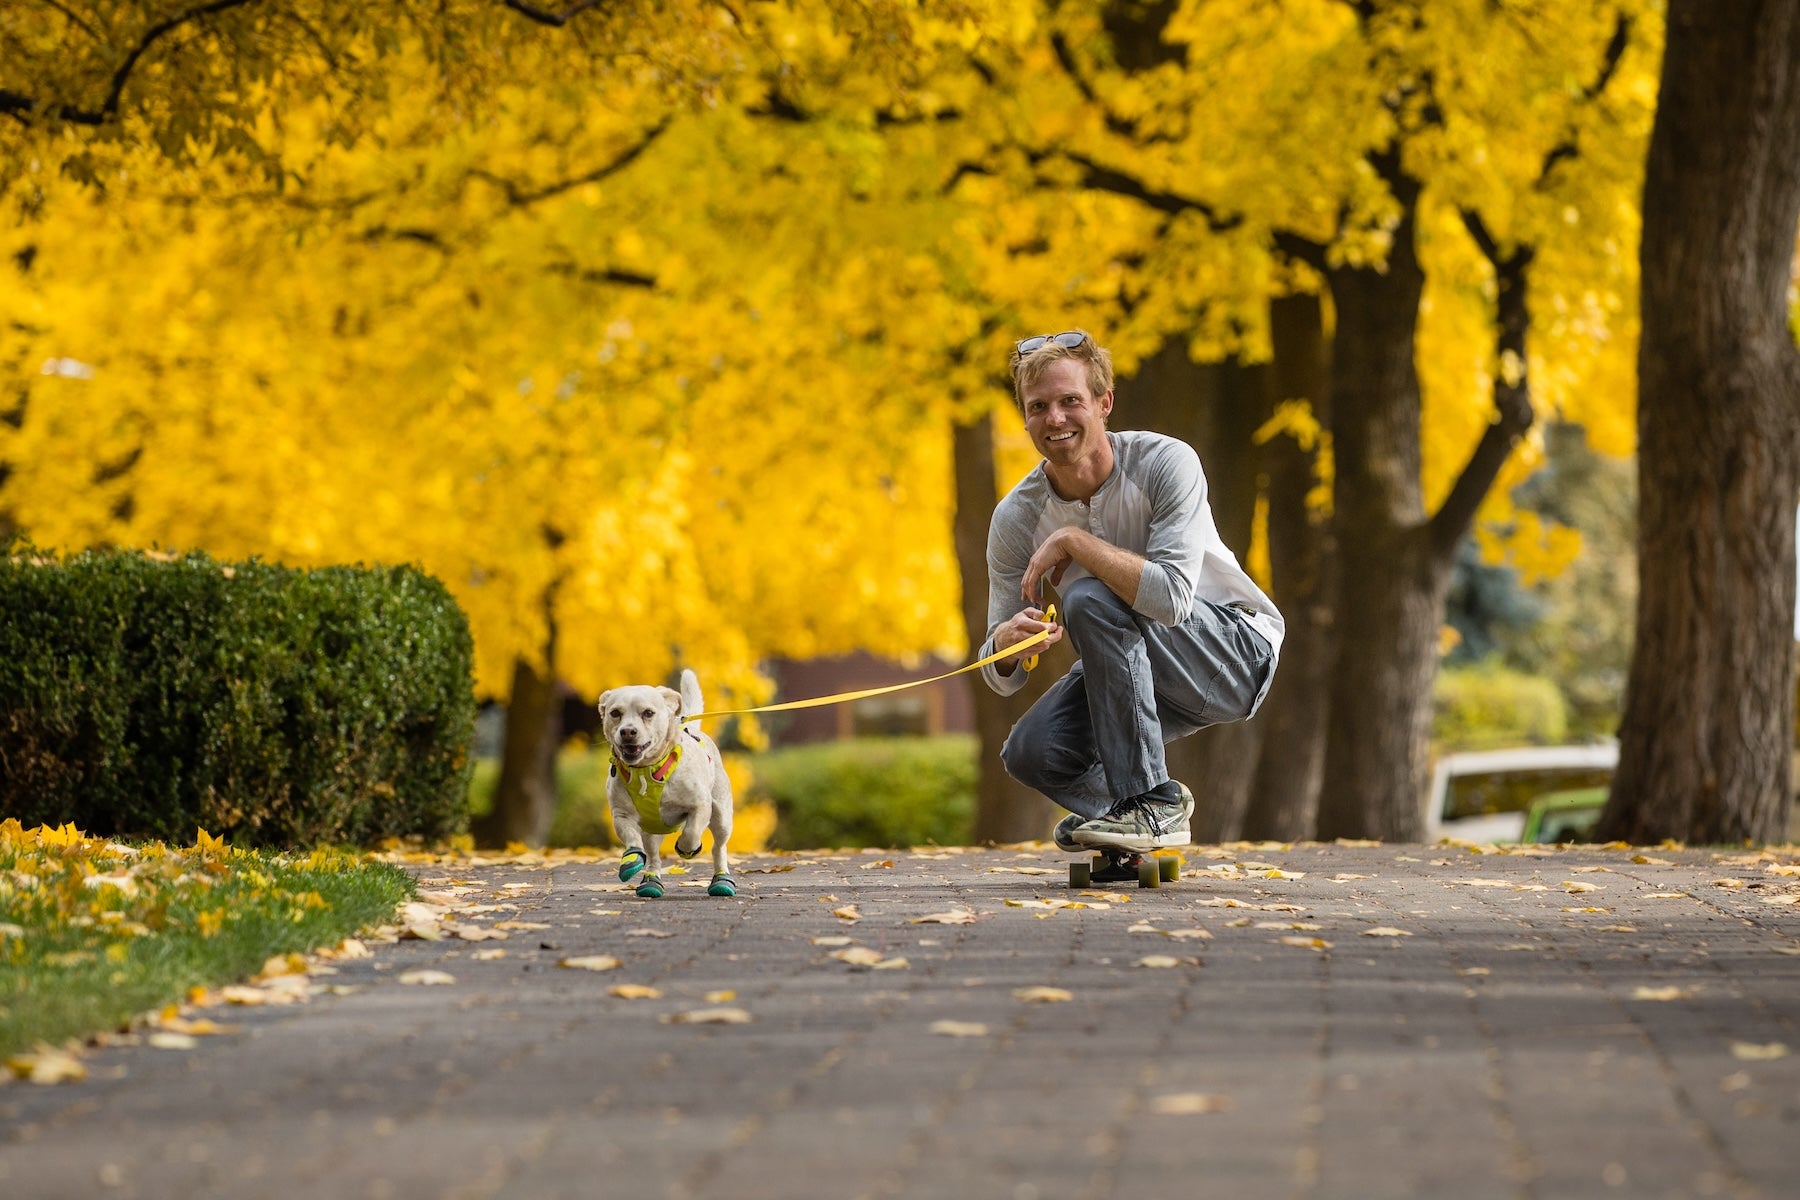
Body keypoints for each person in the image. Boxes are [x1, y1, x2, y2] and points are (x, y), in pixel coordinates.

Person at [979, 329, 1284, 854]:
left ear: (1105, 402)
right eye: (1038, 407)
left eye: (1070, 400)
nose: (1054, 419)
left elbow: (1170, 600)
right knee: (1032, 752)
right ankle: (1144, 807)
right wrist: (1007, 647)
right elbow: (997, 676)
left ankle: (1145, 807)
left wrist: (1075, 540)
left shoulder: (1166, 463)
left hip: (1233, 652)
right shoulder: (1015, 518)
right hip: (1128, 671)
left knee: (1086, 598)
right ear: (1025, 416)